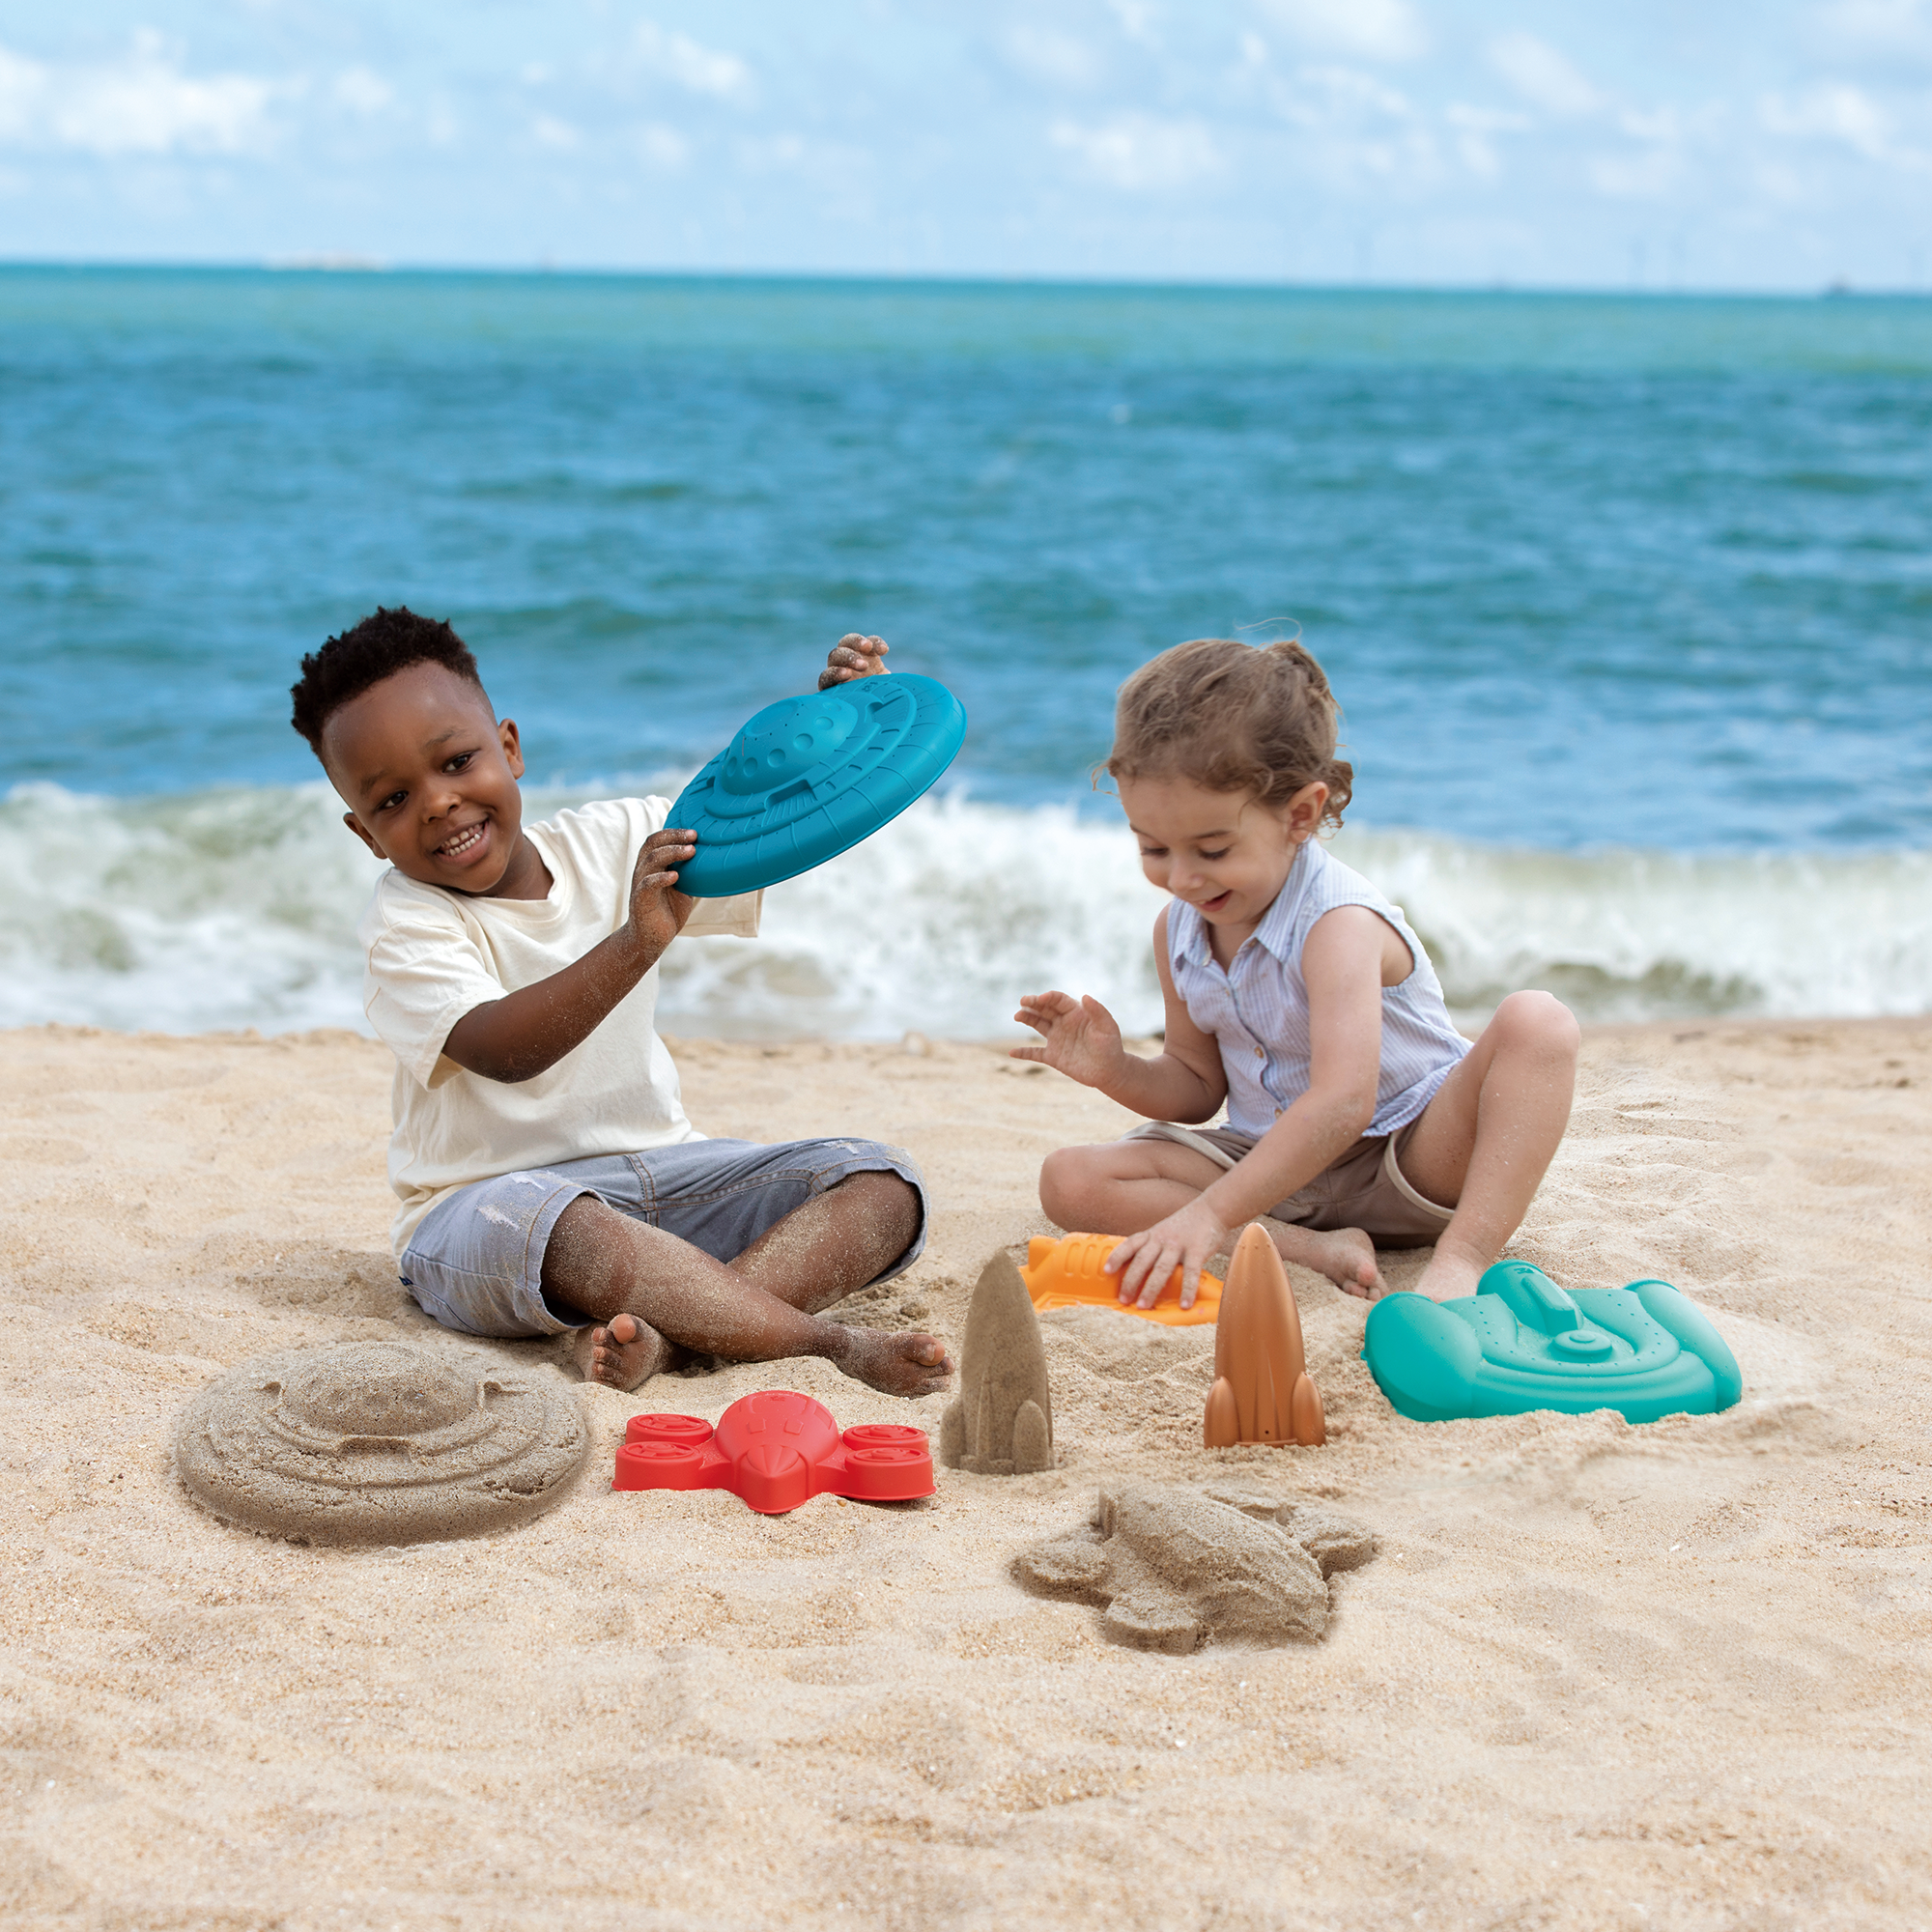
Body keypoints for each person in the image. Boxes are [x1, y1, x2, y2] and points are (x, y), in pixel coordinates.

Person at [289, 607, 952, 1397]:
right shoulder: (408, 923)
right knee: (556, 1222)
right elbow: (506, 1050)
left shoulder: (622, 837)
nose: (437, 803)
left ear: (509, 747)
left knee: (880, 1182)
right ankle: (825, 1343)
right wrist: (636, 942)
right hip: (492, 1214)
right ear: (365, 833)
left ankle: (680, 1337)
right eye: (392, 800)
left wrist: (839, 724)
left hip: (665, 1176)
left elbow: (766, 818)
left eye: (458, 761)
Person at [1012, 636, 1580, 1310]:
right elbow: (1197, 1088)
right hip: (1272, 1171)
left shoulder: (1336, 924)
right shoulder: (1180, 929)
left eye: (1213, 848)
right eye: (1154, 848)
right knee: (1069, 1179)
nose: (1184, 877)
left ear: (1300, 815)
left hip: (1409, 1158)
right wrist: (1118, 1071)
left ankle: (1464, 1256)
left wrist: (1211, 1213)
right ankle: (1312, 1248)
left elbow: (1345, 1103)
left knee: (1538, 1022)